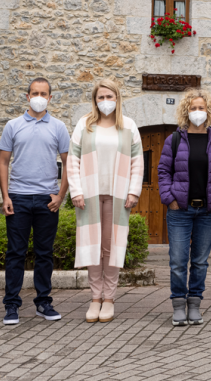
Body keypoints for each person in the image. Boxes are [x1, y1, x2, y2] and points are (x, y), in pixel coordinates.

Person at [67, 79, 143, 324]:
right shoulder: (84, 125)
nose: (105, 102)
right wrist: (76, 190)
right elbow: (73, 160)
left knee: (111, 248)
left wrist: (133, 191)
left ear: (117, 99)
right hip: (89, 195)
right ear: (95, 100)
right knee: (93, 247)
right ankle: (94, 298)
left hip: (118, 195)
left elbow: (137, 162)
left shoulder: (129, 126)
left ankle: (108, 298)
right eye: (101, 97)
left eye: (110, 97)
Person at [0, 78, 70, 325]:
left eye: (44, 93)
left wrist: (60, 196)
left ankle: (43, 302)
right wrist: (5, 196)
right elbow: (3, 162)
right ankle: (11, 305)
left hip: (46, 200)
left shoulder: (59, 127)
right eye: (35, 93)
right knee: (15, 253)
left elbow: (68, 161)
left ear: (50, 97)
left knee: (44, 253)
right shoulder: (13, 125)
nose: (39, 96)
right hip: (18, 197)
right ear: (27, 96)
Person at [158, 88, 211, 326]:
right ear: (185, 111)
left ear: (208, 111)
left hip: (208, 211)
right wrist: (170, 198)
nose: (197, 112)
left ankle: (195, 303)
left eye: (201, 108)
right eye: (193, 108)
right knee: (178, 261)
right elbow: (163, 172)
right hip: (180, 211)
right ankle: (178, 304)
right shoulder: (174, 139)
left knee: (200, 261)